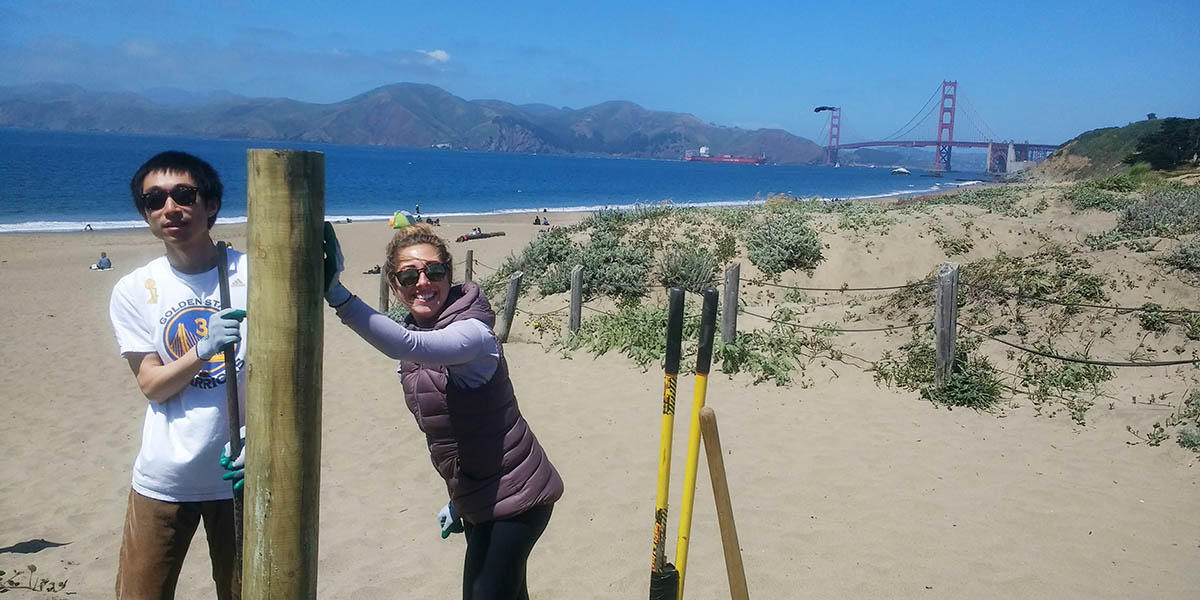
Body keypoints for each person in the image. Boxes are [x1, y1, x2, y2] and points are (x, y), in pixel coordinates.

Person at [322, 221, 564, 600]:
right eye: (408, 275)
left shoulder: (472, 334)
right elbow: (457, 429)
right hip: (479, 496)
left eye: (434, 271)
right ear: (394, 284)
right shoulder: (421, 338)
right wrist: (459, 497)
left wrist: (337, 294)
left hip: (518, 497)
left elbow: (405, 344)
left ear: (449, 275)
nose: (423, 282)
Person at [108, 151, 246, 600]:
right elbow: (152, 385)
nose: (171, 208)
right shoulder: (134, 289)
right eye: (155, 200)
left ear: (211, 205)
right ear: (145, 214)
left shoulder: (254, 273)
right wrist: (202, 350)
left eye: (185, 194)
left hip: (243, 477)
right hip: (165, 479)